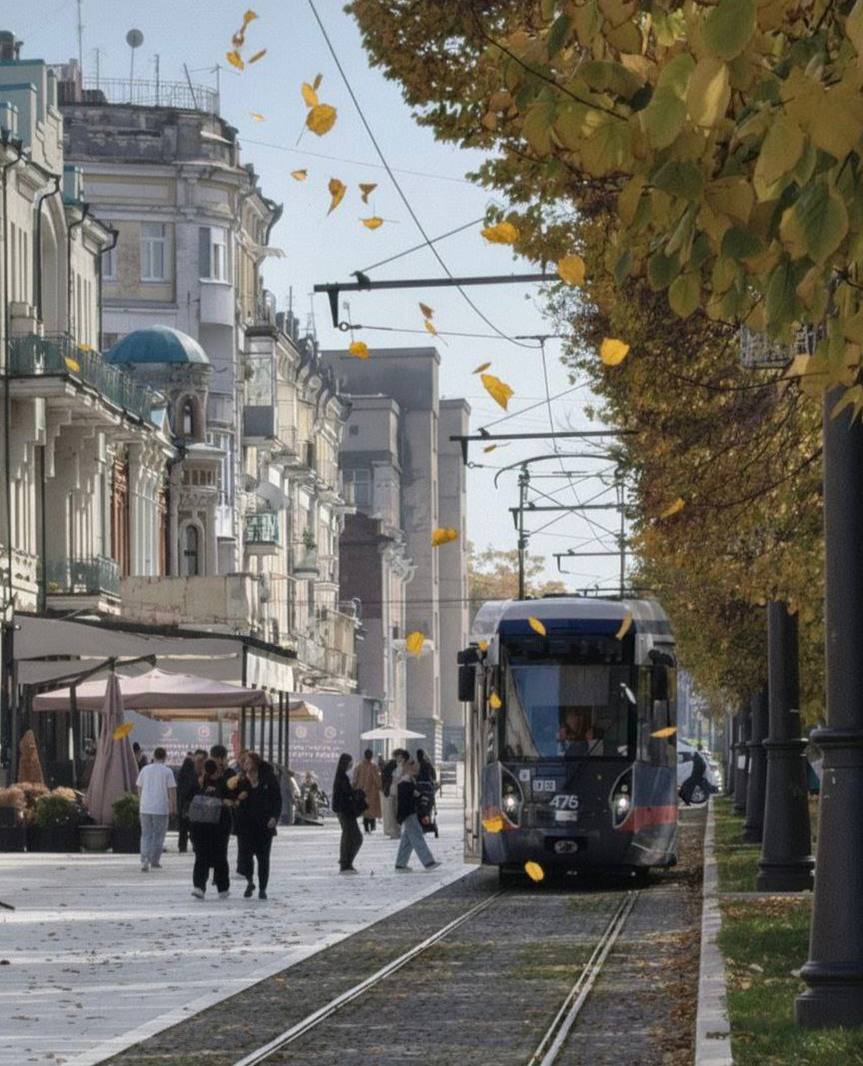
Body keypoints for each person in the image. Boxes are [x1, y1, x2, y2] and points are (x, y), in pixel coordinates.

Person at [234, 752, 282, 900]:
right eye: (244, 762)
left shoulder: (268, 778)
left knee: (263, 858)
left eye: (248, 762)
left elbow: (277, 800)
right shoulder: (241, 780)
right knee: (246, 857)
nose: (245, 765)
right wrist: (238, 798)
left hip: (264, 825)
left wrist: (274, 817)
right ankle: (250, 882)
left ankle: (262, 888)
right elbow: (232, 799)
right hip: (245, 826)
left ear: (255, 763)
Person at [190, 759, 232, 899]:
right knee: (201, 855)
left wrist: (226, 801)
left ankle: (223, 888)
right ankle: (199, 886)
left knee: (220, 856)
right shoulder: (201, 781)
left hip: (220, 824)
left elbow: (232, 798)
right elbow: (192, 796)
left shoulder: (226, 782)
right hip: (202, 824)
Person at [395, 759, 441, 872]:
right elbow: (406, 800)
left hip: (409, 813)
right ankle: (428, 862)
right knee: (417, 837)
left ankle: (400, 864)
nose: (417, 768)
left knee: (408, 839)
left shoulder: (408, 781)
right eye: (415, 766)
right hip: (409, 813)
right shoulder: (405, 782)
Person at [136, 746, 176, 873]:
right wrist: (173, 807)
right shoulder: (167, 771)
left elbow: (139, 787)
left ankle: (144, 860)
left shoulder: (145, 769)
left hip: (145, 807)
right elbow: (172, 791)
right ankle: (154, 860)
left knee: (146, 834)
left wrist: (141, 801)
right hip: (161, 807)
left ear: (154, 756)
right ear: (164, 757)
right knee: (159, 835)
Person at [332, 752, 363, 874]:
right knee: (354, 837)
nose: (351, 765)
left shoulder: (342, 776)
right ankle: (346, 863)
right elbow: (346, 794)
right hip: (345, 811)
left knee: (350, 836)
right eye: (350, 763)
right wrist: (355, 793)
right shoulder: (342, 777)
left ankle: (346, 862)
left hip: (344, 811)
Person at [176, 750, 204, 854]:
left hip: (184, 805)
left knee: (183, 828)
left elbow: (181, 791)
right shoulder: (194, 777)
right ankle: (195, 845)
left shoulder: (182, 775)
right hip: (193, 804)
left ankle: (182, 846)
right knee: (193, 827)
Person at [352, 748, 382, 833]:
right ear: (371, 756)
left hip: (361, 792)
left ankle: (366, 828)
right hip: (372, 792)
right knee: (372, 810)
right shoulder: (373, 767)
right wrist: (381, 787)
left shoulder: (358, 766)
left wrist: (353, 789)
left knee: (364, 809)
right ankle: (372, 827)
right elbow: (378, 780)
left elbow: (354, 780)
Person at [380, 754, 399, 838]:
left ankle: (391, 831)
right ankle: (395, 831)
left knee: (389, 814)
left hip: (388, 793)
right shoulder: (395, 770)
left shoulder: (387, 770)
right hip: (394, 792)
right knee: (394, 813)